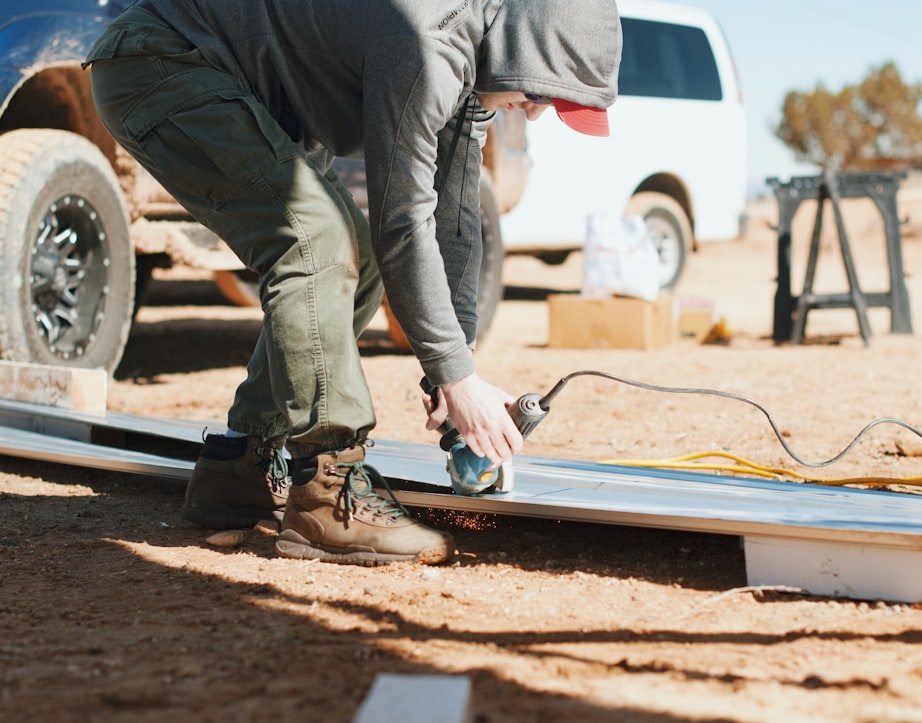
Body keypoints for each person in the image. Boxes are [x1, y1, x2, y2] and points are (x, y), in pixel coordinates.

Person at [85, 0, 621, 566]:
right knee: (315, 243)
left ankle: (240, 468)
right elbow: (403, 220)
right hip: (162, 62)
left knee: (355, 259)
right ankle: (326, 494)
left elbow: (454, 220)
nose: (534, 115)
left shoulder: (471, 71)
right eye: (540, 96)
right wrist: (458, 382)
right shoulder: (429, 42)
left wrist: (451, 367)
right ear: (524, 44)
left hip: (223, 78)